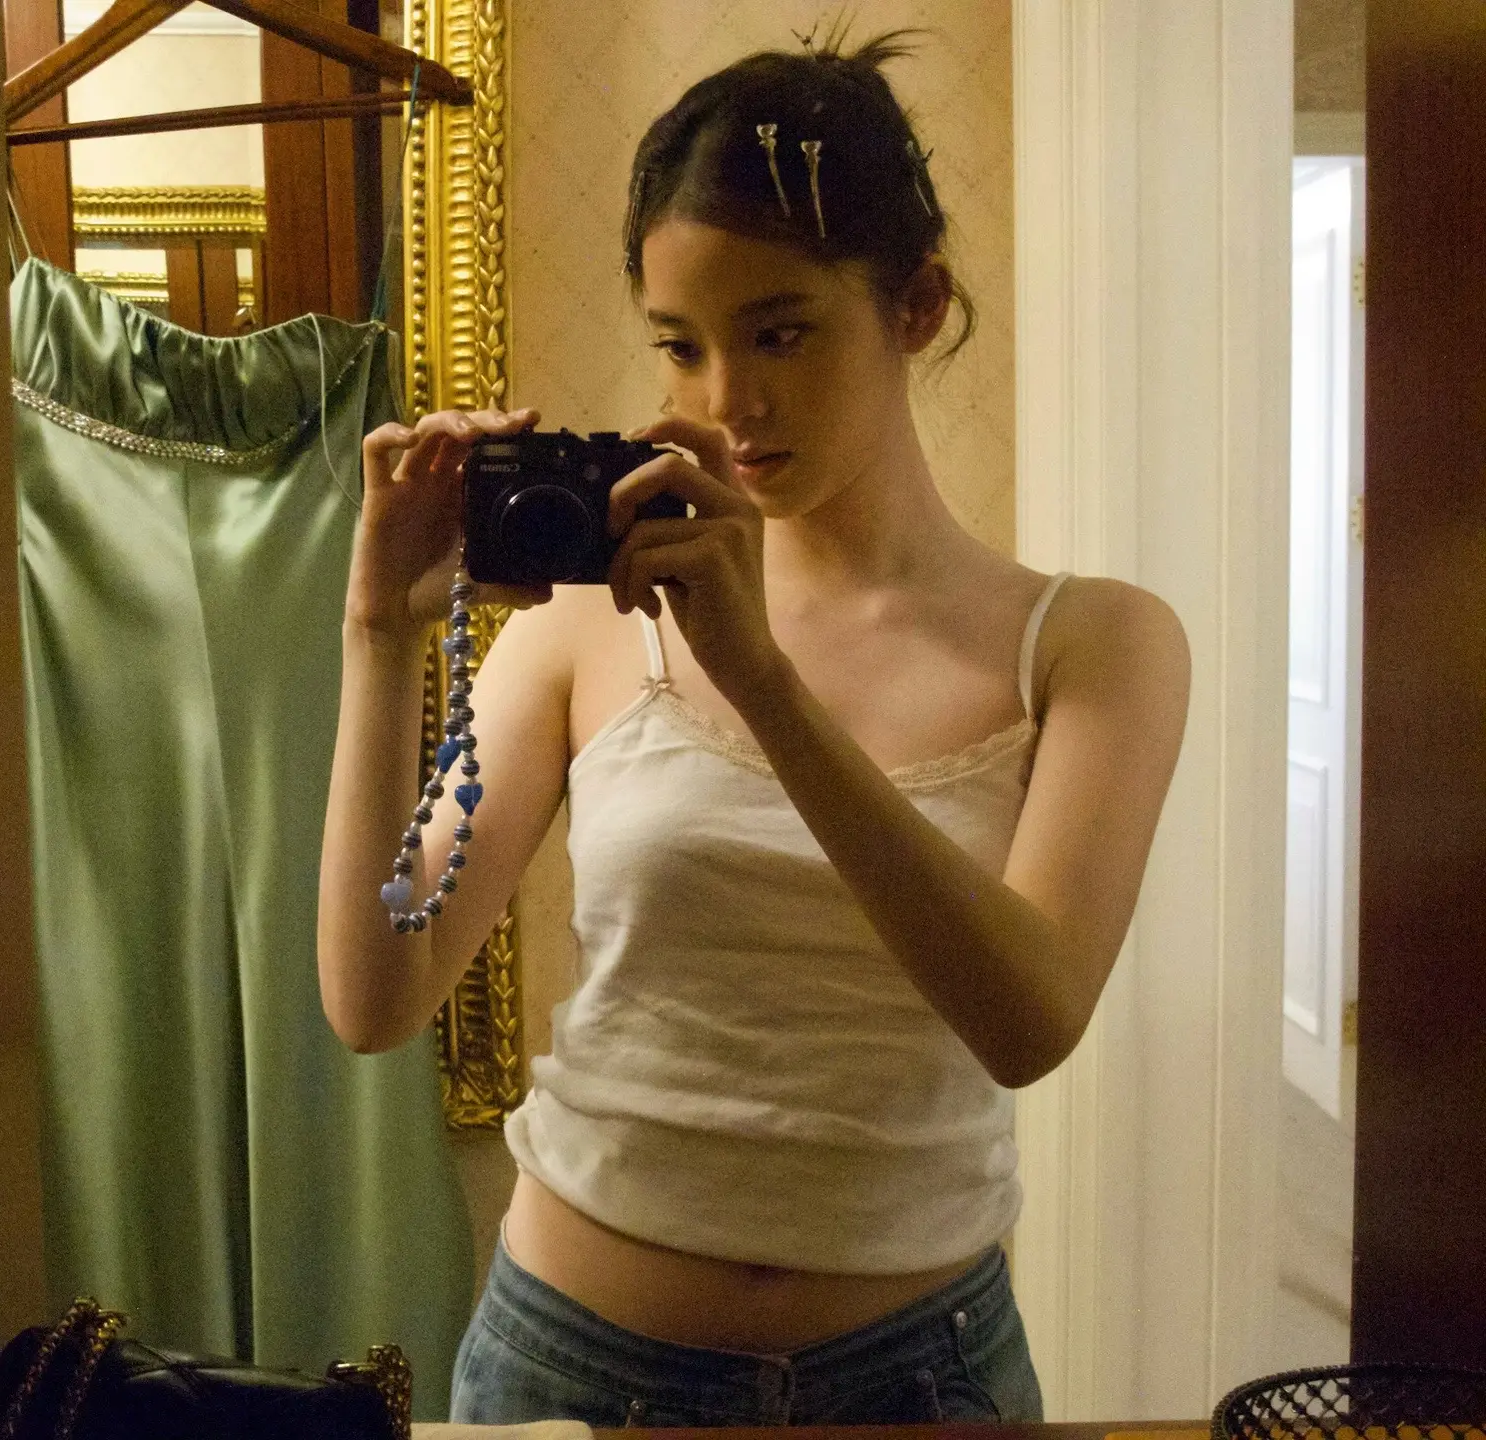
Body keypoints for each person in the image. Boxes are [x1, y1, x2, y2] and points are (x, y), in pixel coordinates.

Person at [317, 32, 1190, 1430]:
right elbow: (375, 996)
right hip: (572, 1366)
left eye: (781, 331)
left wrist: (764, 682)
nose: (728, 399)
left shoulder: (1095, 643)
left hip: (920, 1383)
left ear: (916, 306)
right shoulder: (586, 625)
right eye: (683, 344)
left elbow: (1027, 1021)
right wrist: (378, 634)